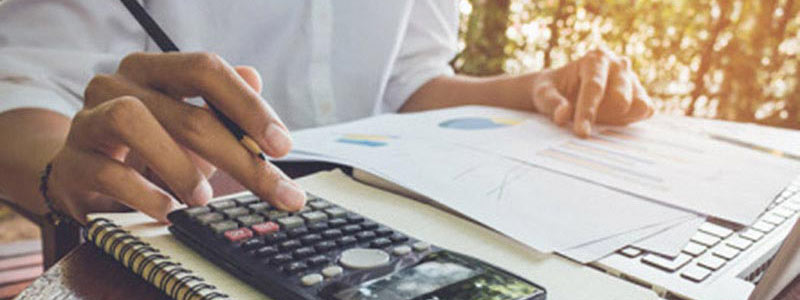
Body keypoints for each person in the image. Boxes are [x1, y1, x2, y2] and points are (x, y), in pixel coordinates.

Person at [0, 1, 653, 224]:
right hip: (173, 246)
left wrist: (534, 87)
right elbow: (21, 86)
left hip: (396, 231)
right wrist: (65, 169)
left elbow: (408, 82)